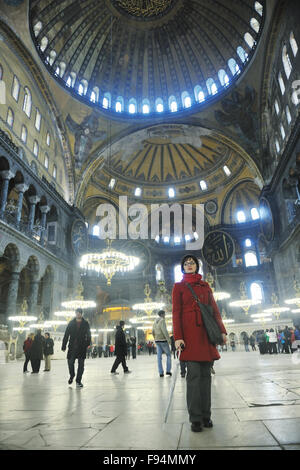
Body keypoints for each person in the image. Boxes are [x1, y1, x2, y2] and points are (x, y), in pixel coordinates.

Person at [172, 254, 227, 433]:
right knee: (193, 377)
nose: (189, 265)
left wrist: (222, 330)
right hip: (188, 337)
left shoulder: (205, 286)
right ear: (183, 267)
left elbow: (215, 310)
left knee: (205, 377)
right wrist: (178, 337)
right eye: (186, 263)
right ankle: (195, 418)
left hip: (205, 335)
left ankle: (206, 415)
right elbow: (176, 313)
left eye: (192, 263)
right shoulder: (178, 287)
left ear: (197, 266)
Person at [62, 308, 91, 388]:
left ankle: (78, 381)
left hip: (81, 347)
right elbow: (66, 335)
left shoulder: (85, 323)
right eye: (77, 313)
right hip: (72, 347)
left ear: (82, 314)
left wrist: (87, 343)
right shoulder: (71, 323)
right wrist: (64, 345)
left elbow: (89, 334)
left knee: (81, 365)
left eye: (79, 313)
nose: (78, 314)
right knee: (70, 362)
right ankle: (72, 375)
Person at [152, 310, 172, 377]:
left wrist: (155, 338)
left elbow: (153, 331)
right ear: (162, 314)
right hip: (163, 340)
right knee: (168, 355)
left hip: (157, 341)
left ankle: (161, 372)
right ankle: (168, 371)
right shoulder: (162, 320)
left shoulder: (154, 321)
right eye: (164, 314)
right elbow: (164, 331)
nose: (165, 315)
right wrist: (169, 340)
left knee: (159, 357)